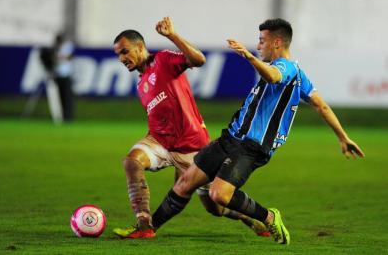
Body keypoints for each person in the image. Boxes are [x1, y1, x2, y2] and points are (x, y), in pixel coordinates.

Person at [126, 18, 365, 244]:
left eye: (262, 40)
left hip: (252, 146)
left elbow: (273, 77)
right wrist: (343, 137)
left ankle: (269, 217)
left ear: (277, 42)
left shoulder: (287, 68)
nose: (259, 44)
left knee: (219, 195)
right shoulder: (300, 77)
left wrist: (249, 56)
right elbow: (321, 106)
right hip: (231, 137)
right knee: (185, 183)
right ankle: (148, 228)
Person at [112, 17, 270, 239]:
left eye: (125, 51)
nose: (121, 58)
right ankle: (143, 222)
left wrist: (172, 36)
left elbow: (199, 60)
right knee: (132, 161)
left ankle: (248, 217)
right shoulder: (141, 83)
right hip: (160, 141)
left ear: (140, 47)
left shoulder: (164, 60)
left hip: (193, 147)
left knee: (214, 206)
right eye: (118, 54)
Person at [52, 33, 75, 122]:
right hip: (58, 75)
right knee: (60, 98)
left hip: (66, 75)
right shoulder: (55, 48)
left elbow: (70, 56)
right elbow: (53, 59)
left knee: (67, 98)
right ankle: (62, 117)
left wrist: (60, 57)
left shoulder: (67, 46)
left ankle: (69, 117)